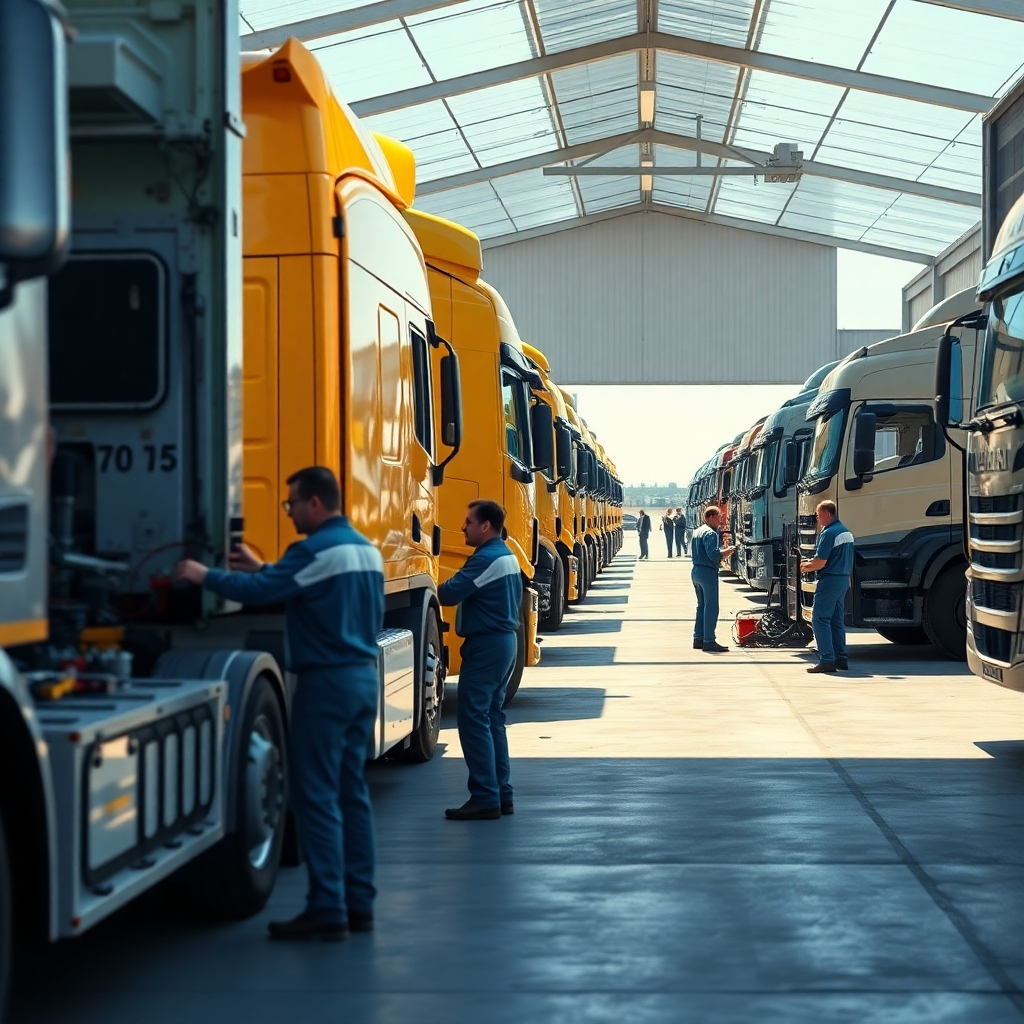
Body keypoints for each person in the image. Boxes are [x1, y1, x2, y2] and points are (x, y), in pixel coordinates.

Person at [175, 466, 384, 942]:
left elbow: (263, 593)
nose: (288, 513)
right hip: (361, 681)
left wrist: (203, 574)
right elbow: (306, 587)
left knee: (315, 796)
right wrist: (263, 567)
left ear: (314, 503)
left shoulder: (312, 550)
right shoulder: (365, 551)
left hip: (325, 685)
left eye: (291, 504)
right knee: (351, 794)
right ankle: (360, 904)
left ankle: (327, 908)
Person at [437, 500, 523, 821]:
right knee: (491, 718)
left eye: (468, 521)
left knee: (473, 719)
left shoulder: (486, 558)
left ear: (485, 526)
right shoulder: (506, 554)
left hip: (487, 646)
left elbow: (449, 593)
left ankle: (485, 796)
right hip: (504, 643)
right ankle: (502, 794)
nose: (463, 527)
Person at [799, 499, 854, 674]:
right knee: (837, 621)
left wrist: (806, 566)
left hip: (829, 581)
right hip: (843, 580)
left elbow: (821, 562)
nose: (817, 518)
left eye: (818, 514)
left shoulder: (829, 532)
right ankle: (841, 658)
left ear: (827, 513)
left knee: (820, 619)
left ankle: (827, 660)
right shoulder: (845, 532)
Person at [690, 505, 735, 653]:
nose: (720, 521)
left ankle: (698, 638)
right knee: (711, 606)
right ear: (710, 517)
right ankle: (709, 640)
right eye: (718, 517)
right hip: (707, 572)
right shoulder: (710, 534)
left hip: (696, 570)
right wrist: (726, 552)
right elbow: (713, 555)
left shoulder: (697, 531)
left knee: (701, 606)